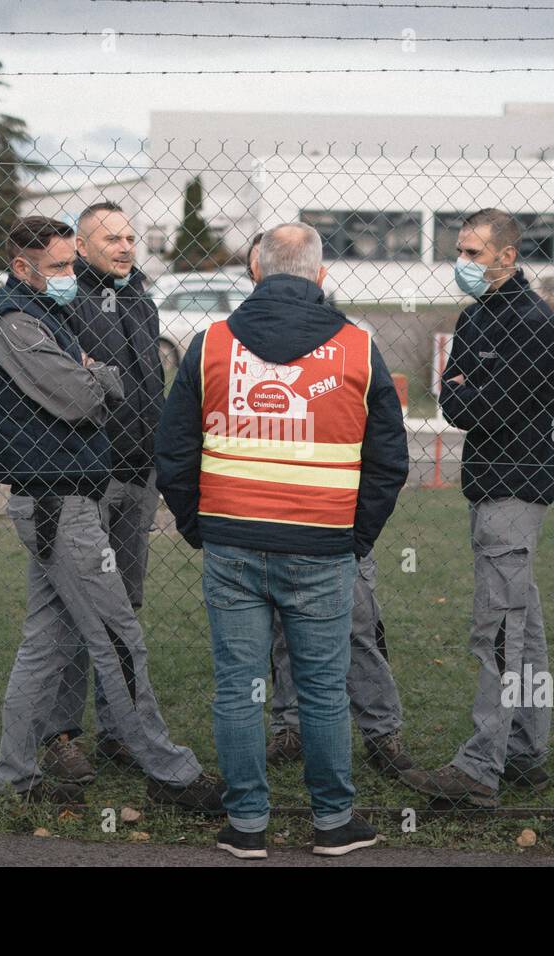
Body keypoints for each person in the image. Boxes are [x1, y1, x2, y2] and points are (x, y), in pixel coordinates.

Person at [156, 222, 409, 858]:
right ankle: (332, 823)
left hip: (232, 544)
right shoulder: (358, 347)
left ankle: (246, 825)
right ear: (321, 276)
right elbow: (388, 461)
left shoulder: (209, 344)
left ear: (257, 272)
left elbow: (175, 451)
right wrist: (356, 538)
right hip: (323, 547)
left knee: (238, 685)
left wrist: (197, 526)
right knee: (324, 689)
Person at [0, 215, 221, 811]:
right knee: (117, 634)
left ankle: (14, 776)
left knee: (46, 641)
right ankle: (170, 773)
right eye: (57, 268)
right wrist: (96, 376)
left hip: (64, 497)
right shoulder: (16, 322)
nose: (66, 278)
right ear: (22, 268)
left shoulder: (48, 314)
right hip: (58, 503)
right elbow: (83, 396)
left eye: (67, 265)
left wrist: (92, 373)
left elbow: (95, 386)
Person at [239, 234, 432, 792]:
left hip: (335, 525)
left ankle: (381, 732)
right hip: (271, 520)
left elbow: (386, 449)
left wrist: (359, 533)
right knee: (280, 628)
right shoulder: (237, 341)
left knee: (355, 625)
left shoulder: (345, 341)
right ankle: (292, 726)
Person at [427, 209, 554, 807]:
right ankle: (526, 752)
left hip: (517, 486)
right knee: (522, 624)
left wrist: (468, 396)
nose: (464, 262)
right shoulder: (475, 315)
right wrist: (467, 396)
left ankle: (481, 767)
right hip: (486, 484)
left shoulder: (534, 322)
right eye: (460, 250)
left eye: (475, 253)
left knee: (499, 628)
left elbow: (490, 406)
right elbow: (453, 399)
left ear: (508, 255)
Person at [61, 201, 163, 769]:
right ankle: (62, 734)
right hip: (88, 479)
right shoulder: (65, 301)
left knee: (125, 603)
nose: (125, 247)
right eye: (111, 239)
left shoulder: (140, 298)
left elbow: (153, 382)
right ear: (80, 245)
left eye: (130, 237)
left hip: (138, 476)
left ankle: (118, 731)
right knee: (81, 608)